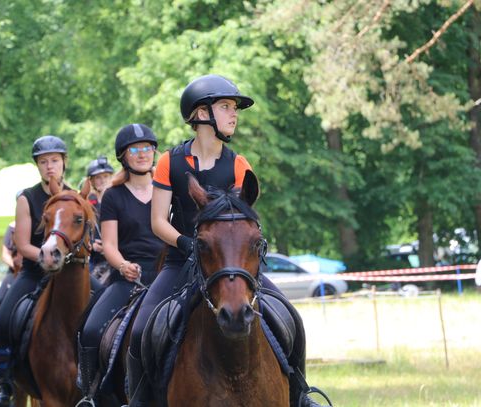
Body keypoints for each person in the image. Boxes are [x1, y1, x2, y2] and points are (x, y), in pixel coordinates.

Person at [127, 74, 328, 407]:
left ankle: (299, 395)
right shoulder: (169, 163)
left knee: (290, 317)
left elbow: (240, 225)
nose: (233, 114)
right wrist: (187, 245)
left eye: (234, 108)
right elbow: (158, 221)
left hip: (230, 262)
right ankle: (140, 399)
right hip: (183, 261)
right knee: (142, 329)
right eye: (225, 107)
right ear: (201, 114)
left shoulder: (239, 165)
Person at [0, 135, 103, 406]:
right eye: (43, 161)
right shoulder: (27, 198)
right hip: (34, 271)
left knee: (106, 307)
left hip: (71, 273)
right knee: (3, 317)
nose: (49, 166)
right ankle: (5, 384)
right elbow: (22, 244)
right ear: (37, 166)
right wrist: (46, 255)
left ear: (64, 163)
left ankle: (108, 377)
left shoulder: (77, 197)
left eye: (54, 160)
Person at [77, 124, 163, 405]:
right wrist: (123, 265)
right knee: (90, 328)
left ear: (154, 152)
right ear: (123, 156)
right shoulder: (113, 196)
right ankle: (89, 395)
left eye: (147, 148)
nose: (142, 154)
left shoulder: (168, 188)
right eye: (135, 150)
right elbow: (110, 245)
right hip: (129, 276)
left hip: (167, 273)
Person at [86, 156, 114, 285]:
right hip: (95, 259)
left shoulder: (118, 199)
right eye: (98, 177)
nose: (102, 180)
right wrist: (91, 244)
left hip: (117, 256)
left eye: (105, 176)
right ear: (91, 181)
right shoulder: (86, 203)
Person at [0, 221, 23, 321]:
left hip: (32, 270)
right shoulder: (12, 227)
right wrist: (17, 266)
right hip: (14, 271)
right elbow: (5, 255)